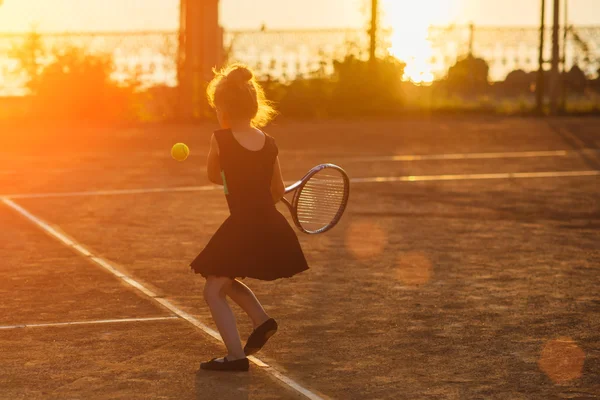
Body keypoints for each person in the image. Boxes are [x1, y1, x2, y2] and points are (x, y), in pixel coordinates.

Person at [191, 64, 309, 372]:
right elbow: (277, 189)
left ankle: (235, 357)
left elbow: (213, 175)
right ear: (253, 106)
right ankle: (261, 321)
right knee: (219, 276)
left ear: (224, 109)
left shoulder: (220, 138)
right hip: (266, 223)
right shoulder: (269, 142)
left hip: (244, 225)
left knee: (213, 289)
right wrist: (255, 192)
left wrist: (235, 182)